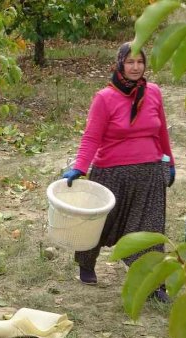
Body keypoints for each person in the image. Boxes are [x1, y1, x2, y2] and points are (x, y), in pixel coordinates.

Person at [61, 42, 175, 302]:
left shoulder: (154, 93)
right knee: (99, 226)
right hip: (112, 173)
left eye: (140, 62)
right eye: (130, 62)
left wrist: (170, 162)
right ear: (120, 64)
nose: (136, 67)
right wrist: (79, 167)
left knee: (149, 230)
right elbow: (91, 137)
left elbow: (161, 132)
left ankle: (153, 285)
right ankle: (87, 263)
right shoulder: (105, 98)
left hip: (149, 175)